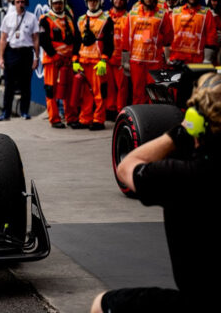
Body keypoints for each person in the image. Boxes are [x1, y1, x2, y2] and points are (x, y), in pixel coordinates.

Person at [90, 72, 221, 313]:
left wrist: (180, 132)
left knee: (102, 304)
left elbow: (126, 167)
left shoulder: (183, 176)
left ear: (198, 120)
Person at [72, 0, 114, 131]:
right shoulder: (81, 20)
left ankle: (98, 120)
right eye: (89, 1)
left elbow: (109, 43)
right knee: (85, 94)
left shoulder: (107, 20)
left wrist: (104, 60)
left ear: (100, 1)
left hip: (98, 63)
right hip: (83, 62)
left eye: (95, 1)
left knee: (99, 93)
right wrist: (74, 60)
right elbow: (76, 41)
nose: (92, 3)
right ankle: (84, 119)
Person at [127, 0, 173, 105]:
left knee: (155, 93)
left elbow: (168, 37)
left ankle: (154, 119)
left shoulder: (162, 14)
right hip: (136, 61)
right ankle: (138, 120)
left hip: (154, 61)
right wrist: (125, 60)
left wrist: (167, 57)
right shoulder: (132, 13)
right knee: (137, 93)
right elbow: (126, 37)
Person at [39, 0, 78, 128]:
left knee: (68, 91)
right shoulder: (45, 20)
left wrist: (74, 57)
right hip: (52, 62)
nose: (58, 6)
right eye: (55, 3)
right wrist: (55, 56)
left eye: (60, 3)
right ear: (51, 3)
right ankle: (54, 119)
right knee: (51, 91)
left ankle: (71, 118)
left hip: (67, 62)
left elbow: (75, 40)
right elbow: (43, 41)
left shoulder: (69, 19)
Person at [0, 0, 40, 121]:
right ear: (14, 3)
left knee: (25, 84)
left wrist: (36, 57)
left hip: (26, 52)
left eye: (22, 2)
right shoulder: (8, 17)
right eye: (18, 2)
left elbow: (36, 39)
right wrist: (1, 57)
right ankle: (6, 112)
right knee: (9, 84)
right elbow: (3, 39)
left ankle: (24, 112)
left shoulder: (32, 18)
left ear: (25, 3)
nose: (20, 4)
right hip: (12, 51)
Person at [167, 0, 217, 64]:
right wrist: (167, 57)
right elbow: (167, 35)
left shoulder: (206, 13)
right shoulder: (175, 12)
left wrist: (207, 59)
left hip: (197, 60)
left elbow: (211, 37)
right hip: (176, 58)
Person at [106, 0, 130, 116]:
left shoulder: (129, 17)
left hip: (122, 59)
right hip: (107, 58)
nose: (118, 1)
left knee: (122, 88)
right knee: (109, 86)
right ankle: (110, 110)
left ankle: (121, 111)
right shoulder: (105, 16)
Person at [207, 0, 221, 64]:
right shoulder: (205, 15)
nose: (216, 3)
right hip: (208, 49)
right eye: (214, 0)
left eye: (219, 1)